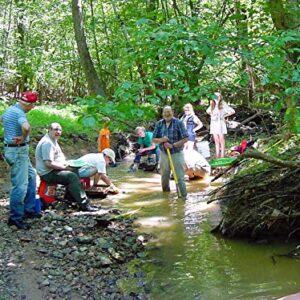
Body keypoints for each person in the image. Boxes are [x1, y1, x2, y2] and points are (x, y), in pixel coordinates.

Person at [35, 122, 96, 211]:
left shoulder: (53, 140)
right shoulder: (47, 143)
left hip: (53, 170)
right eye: (56, 129)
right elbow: (48, 163)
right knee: (72, 177)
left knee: (75, 170)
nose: (58, 132)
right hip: (47, 173)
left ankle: (70, 199)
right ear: (49, 130)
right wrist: (64, 167)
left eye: (60, 130)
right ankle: (84, 204)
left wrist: (66, 163)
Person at [1, 91, 39, 230]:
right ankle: (15, 217)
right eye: (32, 105)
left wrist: (9, 134)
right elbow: (26, 127)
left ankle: (28, 209)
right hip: (17, 151)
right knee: (20, 185)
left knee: (31, 176)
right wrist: (23, 137)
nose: (32, 108)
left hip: (15, 150)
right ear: (29, 104)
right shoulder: (19, 114)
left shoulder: (10, 110)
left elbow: (2, 120)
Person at [152, 106, 188, 199]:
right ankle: (166, 198)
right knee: (164, 176)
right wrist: (162, 140)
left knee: (179, 176)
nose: (167, 114)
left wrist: (173, 145)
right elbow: (154, 139)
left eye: (168, 112)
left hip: (177, 153)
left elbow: (185, 138)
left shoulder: (179, 123)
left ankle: (183, 197)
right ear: (162, 113)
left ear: (172, 112)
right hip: (164, 153)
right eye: (165, 112)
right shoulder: (159, 124)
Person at [206, 92, 235, 158]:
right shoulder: (212, 104)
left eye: (218, 96)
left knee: (221, 140)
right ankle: (217, 156)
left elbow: (232, 111)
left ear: (220, 97)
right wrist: (212, 114)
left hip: (220, 123)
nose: (217, 97)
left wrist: (224, 116)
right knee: (216, 140)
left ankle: (222, 156)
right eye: (215, 96)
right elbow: (208, 111)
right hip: (214, 123)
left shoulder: (223, 104)